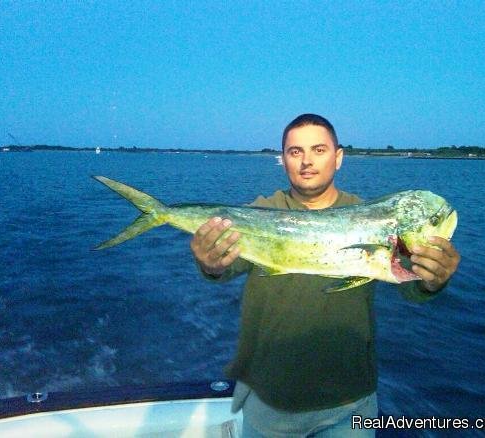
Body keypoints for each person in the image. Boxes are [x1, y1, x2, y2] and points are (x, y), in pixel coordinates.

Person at [191, 114, 460, 437]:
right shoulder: (260, 210)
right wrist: (210, 264)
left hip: (349, 402)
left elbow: (414, 288)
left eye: (318, 149)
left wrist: (434, 280)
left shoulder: (369, 214)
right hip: (270, 400)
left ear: (338, 157)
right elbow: (224, 267)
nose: (306, 161)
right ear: (283, 160)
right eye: (295, 152)